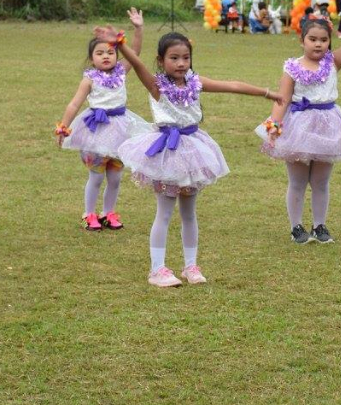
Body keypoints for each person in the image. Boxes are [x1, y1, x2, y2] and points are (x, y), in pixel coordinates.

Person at [102, 29, 281, 287]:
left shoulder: (195, 83)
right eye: (174, 58)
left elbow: (231, 85)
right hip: (167, 152)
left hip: (193, 151)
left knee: (189, 213)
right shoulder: (156, 86)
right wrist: (120, 44)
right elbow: (138, 65)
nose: (181, 63)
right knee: (164, 212)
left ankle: (190, 266)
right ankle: (157, 269)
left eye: (186, 58)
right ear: (161, 60)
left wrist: (267, 93)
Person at [256, 0, 341, 244]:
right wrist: (274, 127)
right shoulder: (292, 67)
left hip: (328, 126)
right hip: (299, 126)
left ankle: (319, 225)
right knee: (298, 181)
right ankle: (296, 227)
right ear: (302, 40)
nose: (318, 44)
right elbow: (282, 99)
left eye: (323, 40)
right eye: (312, 39)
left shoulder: (332, 63)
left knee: (321, 181)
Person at [57, 9, 148, 231]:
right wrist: (63, 127)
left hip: (120, 131)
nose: (106, 56)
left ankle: (108, 213)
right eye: (99, 53)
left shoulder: (122, 71)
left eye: (110, 52)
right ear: (92, 58)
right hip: (95, 132)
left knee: (115, 178)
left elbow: (135, 51)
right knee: (96, 178)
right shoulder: (89, 80)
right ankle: (89, 214)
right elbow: (74, 104)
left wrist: (138, 28)